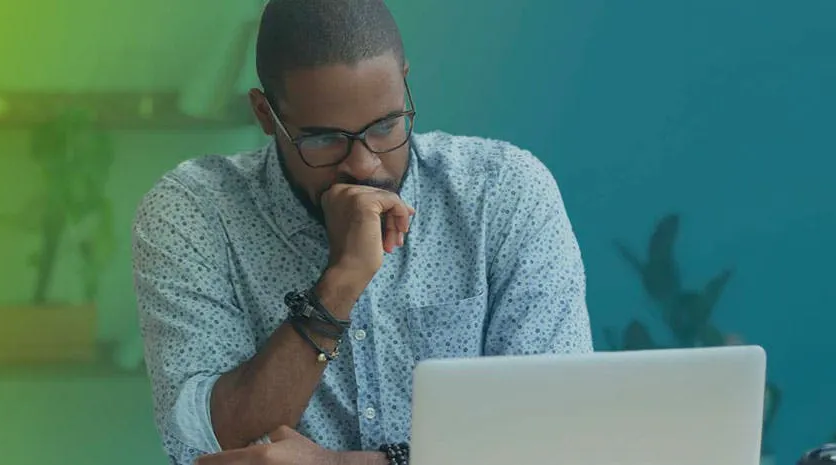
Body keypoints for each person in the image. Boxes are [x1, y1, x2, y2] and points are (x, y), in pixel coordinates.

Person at [131, 0, 593, 464]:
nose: (363, 164)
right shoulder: (196, 213)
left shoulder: (501, 194)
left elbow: (558, 437)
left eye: (386, 125)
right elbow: (204, 448)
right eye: (323, 138)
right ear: (265, 115)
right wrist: (341, 281)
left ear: (404, 81)